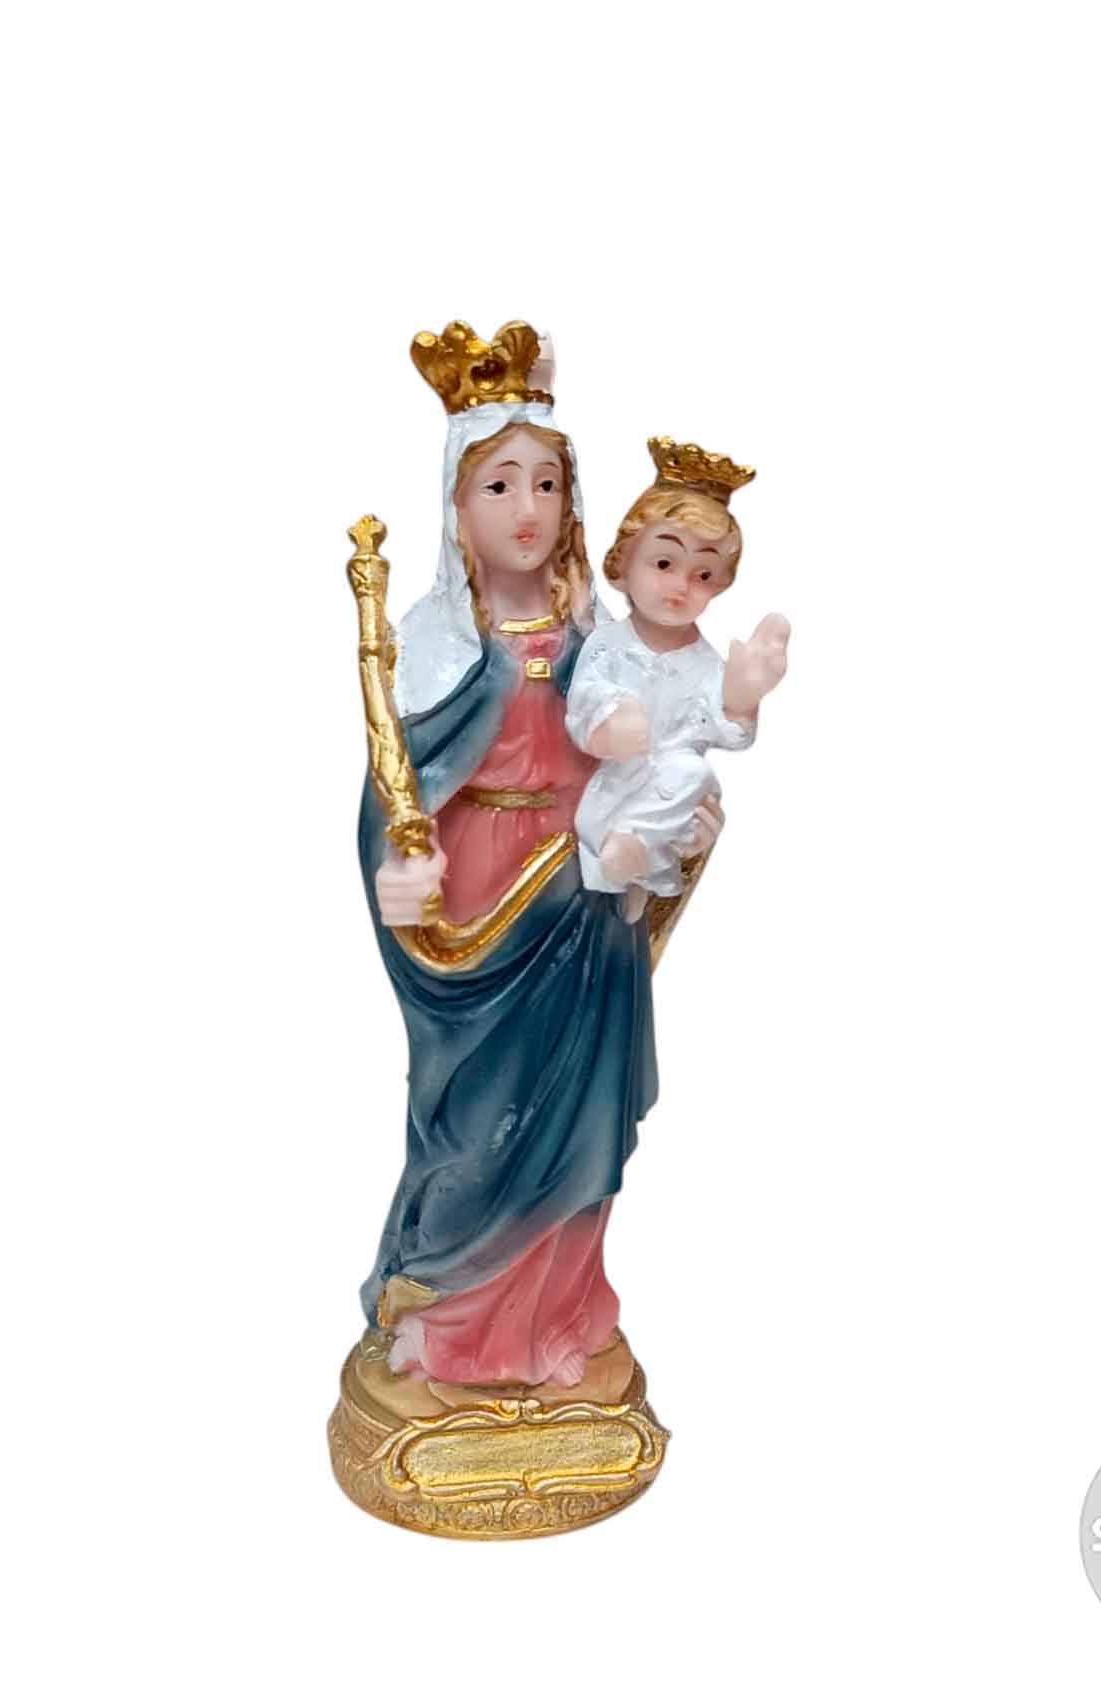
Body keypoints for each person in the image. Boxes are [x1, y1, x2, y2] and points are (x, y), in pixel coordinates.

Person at [357, 323, 720, 1389]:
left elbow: (664, 752)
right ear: (455, 505)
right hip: (480, 906)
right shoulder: (433, 642)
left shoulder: (603, 636)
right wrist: (396, 873)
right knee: (476, 1126)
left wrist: (684, 828)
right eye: (500, 484)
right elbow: (394, 789)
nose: (528, 508)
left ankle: (558, 1318)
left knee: (581, 1118)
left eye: (548, 483)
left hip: (586, 892)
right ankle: (450, 1318)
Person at [566, 440, 790, 920]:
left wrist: (741, 698)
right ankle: (624, 862)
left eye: (703, 573)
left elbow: (729, 735)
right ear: (623, 564)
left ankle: (635, 858)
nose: (680, 586)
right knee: (674, 784)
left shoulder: (706, 664)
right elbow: (584, 698)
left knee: (693, 772)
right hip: (611, 789)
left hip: (671, 806)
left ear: (720, 584)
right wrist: (609, 723)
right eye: (664, 563)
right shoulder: (607, 644)